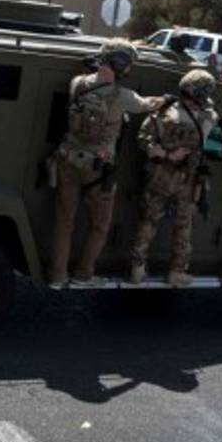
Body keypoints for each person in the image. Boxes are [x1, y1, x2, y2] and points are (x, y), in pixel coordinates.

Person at [46, 38, 161, 287]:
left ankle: (57, 276)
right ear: (120, 65)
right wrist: (164, 100)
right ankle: (83, 274)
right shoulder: (123, 97)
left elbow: (90, 85)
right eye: (127, 65)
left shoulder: (77, 83)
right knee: (99, 225)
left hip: (67, 160)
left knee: (64, 222)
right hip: (98, 170)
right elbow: (147, 105)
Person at [129, 70, 220, 288]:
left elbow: (142, 139)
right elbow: (211, 113)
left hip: (160, 173)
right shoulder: (207, 118)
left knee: (148, 221)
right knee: (183, 226)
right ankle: (177, 272)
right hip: (186, 178)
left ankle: (137, 269)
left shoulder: (161, 112)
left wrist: (163, 153)